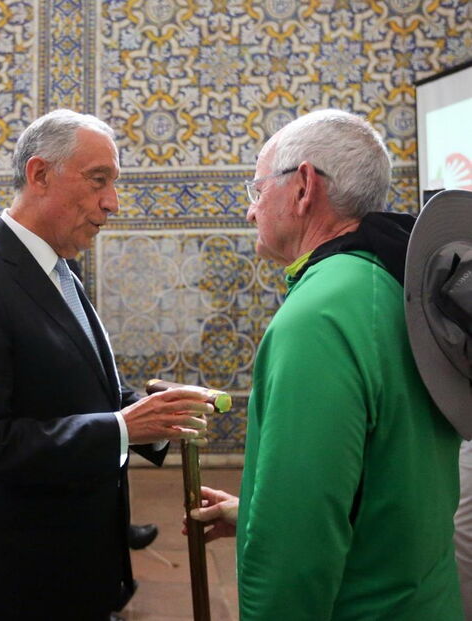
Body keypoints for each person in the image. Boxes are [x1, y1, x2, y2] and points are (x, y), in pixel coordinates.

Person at [0, 109, 211, 619]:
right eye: (98, 180)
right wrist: (120, 429)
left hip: (79, 561)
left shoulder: (60, 271)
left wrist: (156, 413)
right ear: (39, 175)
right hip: (23, 577)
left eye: (114, 183)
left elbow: (82, 393)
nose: (112, 202)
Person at [191, 109, 462, 619]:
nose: (251, 212)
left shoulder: (317, 317)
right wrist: (252, 512)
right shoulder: (400, 285)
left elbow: (295, 548)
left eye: (256, 190)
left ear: (303, 187)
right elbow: (388, 477)